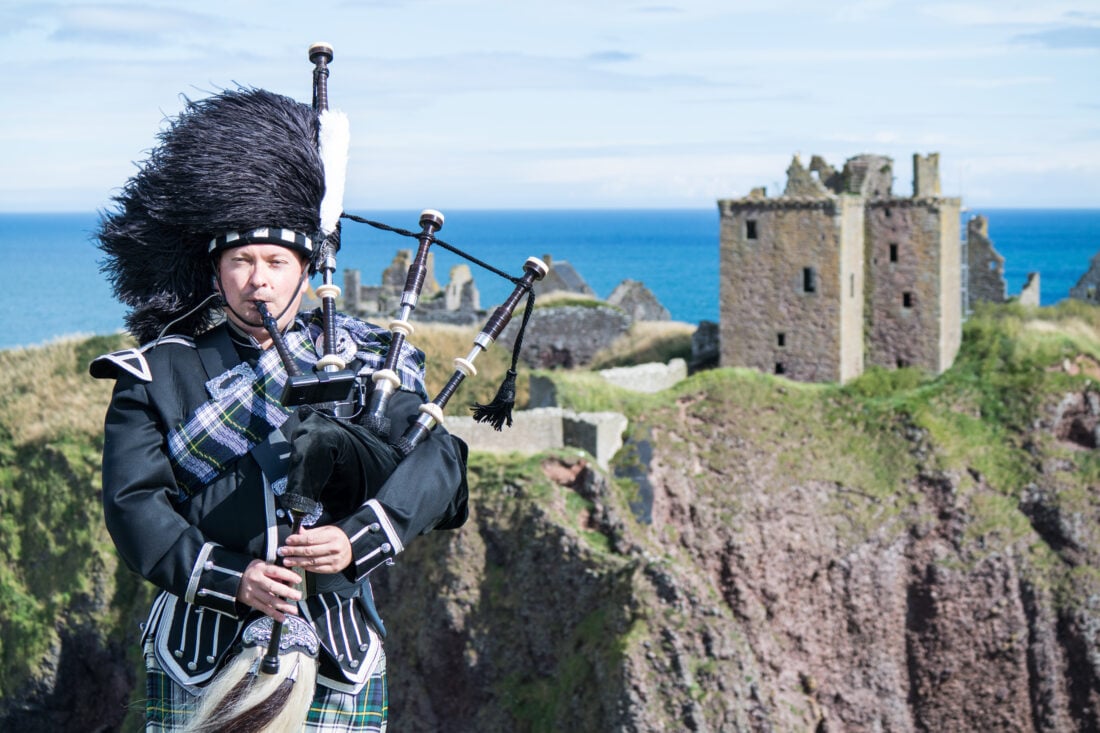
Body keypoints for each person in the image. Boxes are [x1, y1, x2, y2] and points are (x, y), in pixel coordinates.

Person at [90, 85, 468, 731]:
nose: (257, 278)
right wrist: (230, 576)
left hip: (334, 643)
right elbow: (133, 503)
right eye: (240, 261)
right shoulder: (159, 371)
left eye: (274, 260)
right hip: (198, 643)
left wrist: (356, 539)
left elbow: (441, 464)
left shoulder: (369, 361)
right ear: (217, 275)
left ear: (306, 271)